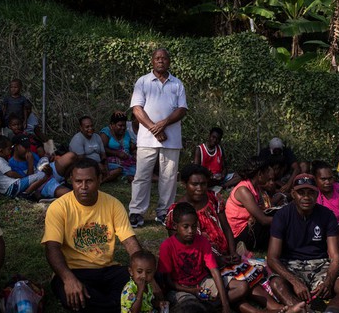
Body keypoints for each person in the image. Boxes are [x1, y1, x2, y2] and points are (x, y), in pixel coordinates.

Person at [165, 165, 287, 312]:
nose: (199, 188)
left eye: (203, 184)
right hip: (201, 265)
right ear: (185, 184)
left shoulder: (213, 198)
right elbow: (180, 249)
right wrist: (217, 261)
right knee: (237, 279)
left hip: (224, 256)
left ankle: (276, 307)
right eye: (194, 184)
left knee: (245, 272)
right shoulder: (176, 211)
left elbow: (227, 228)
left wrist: (232, 252)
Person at [42, 158, 142, 313]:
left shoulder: (113, 204)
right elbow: (52, 248)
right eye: (78, 181)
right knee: (73, 294)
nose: (83, 187)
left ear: (100, 180)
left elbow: (130, 242)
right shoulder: (58, 207)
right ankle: (119, 305)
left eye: (89, 181)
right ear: (71, 181)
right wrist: (68, 279)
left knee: (146, 278)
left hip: (107, 270)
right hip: (74, 271)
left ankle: (109, 304)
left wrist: (142, 272)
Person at [267, 174, 339, 313]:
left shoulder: (327, 215)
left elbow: (335, 256)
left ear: (317, 194)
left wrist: (329, 281)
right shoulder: (282, 215)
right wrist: (295, 282)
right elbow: (272, 258)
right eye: (301, 193)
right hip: (291, 264)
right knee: (277, 284)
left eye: (311, 193)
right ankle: (304, 310)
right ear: (293, 193)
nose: (306, 197)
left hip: (320, 264)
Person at [129, 48, 187, 228]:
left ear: (169, 61)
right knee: (142, 176)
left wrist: (164, 123)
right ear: (152, 61)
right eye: (157, 58)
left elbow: (182, 109)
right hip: (147, 139)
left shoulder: (177, 84)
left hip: (172, 139)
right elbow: (137, 109)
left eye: (164, 58)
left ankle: (165, 212)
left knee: (169, 177)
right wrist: (155, 129)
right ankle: (136, 212)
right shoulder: (143, 81)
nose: (160, 61)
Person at [157, 202, 231, 313]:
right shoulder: (167, 246)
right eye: (185, 227)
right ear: (175, 226)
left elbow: (214, 271)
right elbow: (167, 281)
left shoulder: (202, 241)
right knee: (190, 306)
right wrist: (191, 290)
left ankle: (211, 305)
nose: (191, 231)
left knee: (241, 287)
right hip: (180, 289)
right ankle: (209, 306)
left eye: (194, 226)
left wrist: (226, 305)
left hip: (202, 283)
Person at [224, 157, 276, 252]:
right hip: (240, 235)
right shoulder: (243, 190)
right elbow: (263, 220)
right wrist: (286, 219)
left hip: (248, 227)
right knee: (277, 224)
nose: (269, 176)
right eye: (267, 172)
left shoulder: (254, 188)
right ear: (260, 174)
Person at [100, 111, 137, 182]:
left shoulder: (126, 133)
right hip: (111, 162)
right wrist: (117, 153)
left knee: (140, 172)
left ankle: (123, 177)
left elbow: (129, 147)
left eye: (124, 126)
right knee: (120, 170)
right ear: (112, 124)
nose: (123, 128)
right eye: (120, 125)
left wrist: (134, 150)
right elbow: (102, 149)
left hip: (127, 161)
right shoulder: (106, 132)